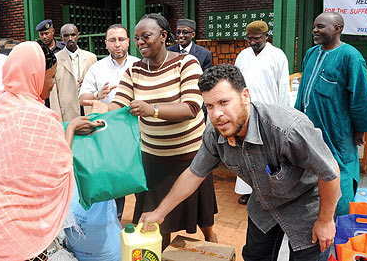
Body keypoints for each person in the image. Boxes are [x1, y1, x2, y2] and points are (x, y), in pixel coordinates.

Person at [140, 64, 340, 261]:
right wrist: (159, 212)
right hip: (264, 205)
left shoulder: (287, 128)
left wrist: (325, 220)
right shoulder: (214, 133)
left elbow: (330, 172)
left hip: (305, 205)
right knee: (254, 256)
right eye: (209, 106)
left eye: (224, 102)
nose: (217, 114)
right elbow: (194, 174)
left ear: (245, 96)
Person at [0, 42, 101, 260]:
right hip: (5, 235)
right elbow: (57, 171)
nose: (52, 85)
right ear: (33, 75)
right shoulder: (38, 116)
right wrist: (73, 128)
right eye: (50, 77)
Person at [84, 13, 218, 249]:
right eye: (136, 38)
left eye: (146, 36)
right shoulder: (134, 70)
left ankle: (218, 250)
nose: (140, 42)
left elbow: (191, 107)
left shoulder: (186, 64)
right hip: (153, 160)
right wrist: (101, 112)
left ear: (164, 36)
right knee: (156, 225)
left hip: (190, 159)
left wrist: (151, 109)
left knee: (204, 222)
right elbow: (119, 105)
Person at [295, 12, 367, 216]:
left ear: (337, 29)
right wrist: (297, 119)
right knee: (312, 171)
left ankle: (339, 220)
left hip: (337, 132)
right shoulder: (311, 53)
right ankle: (315, 215)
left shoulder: (351, 56)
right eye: (314, 26)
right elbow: (303, 89)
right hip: (311, 129)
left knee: (340, 172)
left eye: (320, 26)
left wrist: (361, 130)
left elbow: (360, 98)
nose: (315, 30)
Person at [79, 24, 139, 220]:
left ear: (128, 41)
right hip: (109, 132)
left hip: (136, 129)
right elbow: (82, 97)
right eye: (112, 40)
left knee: (140, 173)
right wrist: (97, 95)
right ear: (106, 44)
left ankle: (143, 220)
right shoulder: (97, 68)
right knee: (115, 178)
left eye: (121, 39)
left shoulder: (139, 65)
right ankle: (115, 220)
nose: (117, 44)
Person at [234, 20, 290, 205]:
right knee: (246, 153)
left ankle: (269, 192)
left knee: (268, 153)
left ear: (267, 36)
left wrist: (283, 115)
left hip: (269, 113)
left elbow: (282, 87)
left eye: (256, 38)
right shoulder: (243, 55)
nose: (252, 42)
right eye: (249, 39)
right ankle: (248, 191)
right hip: (246, 112)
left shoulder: (277, 55)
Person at [50, 23, 97, 121]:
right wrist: (57, 118)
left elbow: (97, 85)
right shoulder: (55, 59)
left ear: (78, 35)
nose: (70, 38)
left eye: (73, 35)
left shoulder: (91, 57)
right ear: (61, 38)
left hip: (89, 109)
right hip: (67, 112)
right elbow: (53, 92)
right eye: (66, 36)